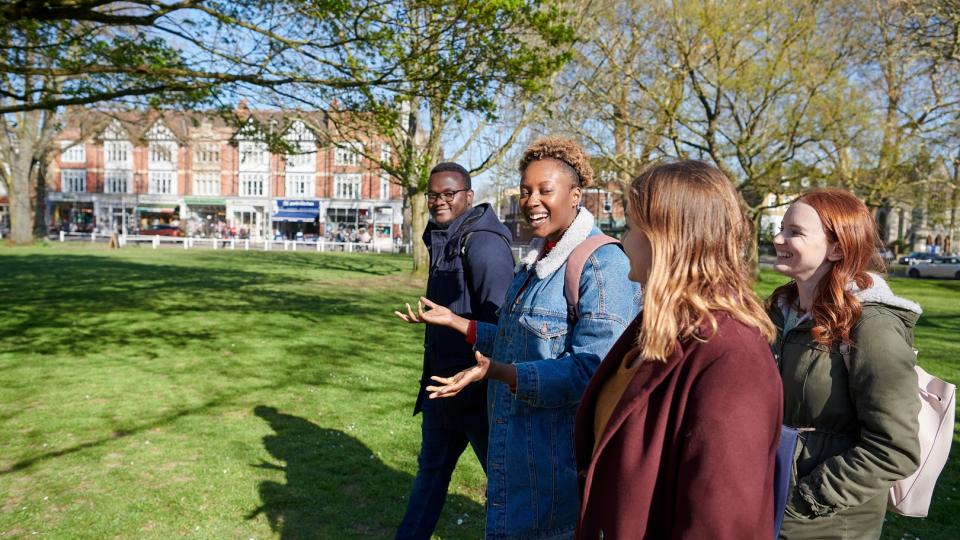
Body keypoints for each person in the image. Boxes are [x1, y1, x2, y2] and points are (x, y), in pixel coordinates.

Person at [398, 137, 639, 539]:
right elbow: (518, 339)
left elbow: (593, 371)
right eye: (526, 190)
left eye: (546, 190)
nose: (532, 200)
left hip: (555, 467)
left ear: (576, 194)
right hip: (516, 455)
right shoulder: (537, 260)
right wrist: (459, 323)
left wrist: (500, 372)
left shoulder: (603, 265)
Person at [573, 160, 783, 539]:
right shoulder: (655, 328)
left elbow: (721, 525)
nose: (623, 241)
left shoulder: (732, 357)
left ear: (668, 240)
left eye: (633, 228)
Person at [769, 189, 921, 540]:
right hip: (768, 506)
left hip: (825, 524)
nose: (778, 238)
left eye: (795, 231)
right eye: (780, 228)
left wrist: (804, 501)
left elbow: (893, 448)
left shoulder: (873, 327)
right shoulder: (779, 314)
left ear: (838, 248)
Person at [394, 162, 515, 540]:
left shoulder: (483, 244)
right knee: (430, 475)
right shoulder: (444, 237)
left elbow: (503, 330)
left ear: (468, 196)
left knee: (506, 487)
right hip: (440, 390)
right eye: (433, 195)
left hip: (478, 395)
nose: (439, 201)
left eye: (449, 194)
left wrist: (472, 362)